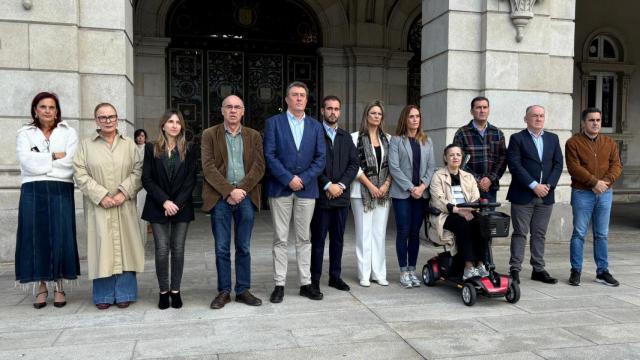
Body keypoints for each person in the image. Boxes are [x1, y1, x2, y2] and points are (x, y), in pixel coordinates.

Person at [73, 103, 144, 310]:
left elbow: (139, 170)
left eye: (111, 117)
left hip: (124, 205)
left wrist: (124, 192)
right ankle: (102, 294)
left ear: (117, 119)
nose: (107, 121)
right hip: (99, 207)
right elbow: (80, 173)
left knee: (126, 247)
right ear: (96, 120)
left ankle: (125, 292)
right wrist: (101, 195)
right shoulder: (86, 146)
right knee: (101, 248)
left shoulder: (129, 144)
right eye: (102, 117)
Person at [15, 91, 80, 309]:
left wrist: (41, 162)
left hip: (61, 189)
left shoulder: (68, 132)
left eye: (51, 107)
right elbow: (26, 163)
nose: (47, 111)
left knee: (60, 236)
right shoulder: (25, 133)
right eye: (43, 107)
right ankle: (41, 286)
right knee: (36, 237)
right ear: (35, 109)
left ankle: (59, 286)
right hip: (33, 190)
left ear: (57, 111)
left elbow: (70, 164)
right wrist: (53, 156)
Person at [264, 81, 325, 303]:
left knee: (304, 238)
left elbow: (320, 158)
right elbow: (269, 155)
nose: (299, 98)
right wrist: (288, 178)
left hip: (307, 190)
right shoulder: (273, 123)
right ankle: (279, 284)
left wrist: (303, 179)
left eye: (302, 95)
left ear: (306, 100)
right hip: (280, 188)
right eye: (294, 95)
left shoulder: (316, 126)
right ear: (287, 99)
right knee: (280, 238)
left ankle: (305, 283)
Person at [202, 95, 265, 309]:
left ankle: (243, 290)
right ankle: (224, 291)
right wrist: (229, 191)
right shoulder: (210, 134)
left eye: (237, 107)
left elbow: (259, 166)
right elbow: (208, 167)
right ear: (222, 111)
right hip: (220, 197)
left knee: (244, 246)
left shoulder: (253, 136)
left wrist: (240, 190)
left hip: (245, 196)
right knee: (221, 247)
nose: (233, 110)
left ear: (243, 111)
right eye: (229, 107)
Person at [141, 110, 196, 309]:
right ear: (163, 125)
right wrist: (165, 201)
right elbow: (146, 179)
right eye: (170, 122)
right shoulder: (151, 148)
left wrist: (177, 204)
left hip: (182, 207)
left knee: (178, 250)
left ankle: (176, 291)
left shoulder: (189, 149)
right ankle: (163, 291)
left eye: (178, 122)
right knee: (162, 250)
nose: (174, 125)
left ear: (181, 126)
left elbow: (191, 180)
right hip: (158, 206)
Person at [566, 107, 623, 287]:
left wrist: (604, 183)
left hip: (605, 193)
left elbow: (617, 165)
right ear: (583, 123)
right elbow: (574, 168)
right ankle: (576, 271)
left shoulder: (609, 142)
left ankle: (602, 271)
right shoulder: (573, 143)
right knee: (579, 233)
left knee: (602, 234)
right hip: (583, 193)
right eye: (591, 120)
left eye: (598, 120)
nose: (596, 123)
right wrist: (593, 182)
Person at [507, 105, 563, 284]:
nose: (538, 119)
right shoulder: (517, 139)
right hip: (523, 194)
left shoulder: (553, 139)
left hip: (546, 194)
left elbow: (558, 164)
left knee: (539, 234)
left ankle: (538, 269)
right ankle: (515, 269)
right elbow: (514, 165)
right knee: (520, 233)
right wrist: (533, 185)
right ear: (526, 119)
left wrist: (548, 185)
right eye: (534, 116)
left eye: (541, 116)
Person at [310, 95, 359, 293]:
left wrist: (340, 185)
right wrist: (327, 185)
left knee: (338, 240)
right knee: (318, 240)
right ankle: (314, 279)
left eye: (336, 109)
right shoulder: (314, 134)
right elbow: (311, 162)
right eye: (329, 108)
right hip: (321, 198)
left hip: (341, 198)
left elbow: (354, 164)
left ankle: (335, 277)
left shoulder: (346, 137)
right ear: (322, 111)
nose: (333, 112)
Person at [389, 105, 436, 288]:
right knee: (403, 231)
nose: (415, 120)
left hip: (421, 194)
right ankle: (403, 272)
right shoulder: (396, 141)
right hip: (402, 194)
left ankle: (412, 270)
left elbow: (431, 167)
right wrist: (411, 188)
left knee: (415, 233)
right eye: (411, 117)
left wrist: (422, 186)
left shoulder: (427, 141)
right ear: (405, 119)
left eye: (417, 116)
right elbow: (394, 168)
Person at [429, 144, 488, 280]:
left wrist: (468, 210)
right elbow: (438, 200)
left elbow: (475, 197)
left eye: (458, 155)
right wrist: (458, 210)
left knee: (482, 223)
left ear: (462, 157)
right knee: (464, 224)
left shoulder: (468, 176)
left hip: (468, 211)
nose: (455, 157)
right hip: (446, 215)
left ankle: (480, 263)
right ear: (445, 158)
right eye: (451, 155)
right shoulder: (438, 176)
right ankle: (468, 266)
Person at [351, 100, 392, 287]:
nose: (376, 116)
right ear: (366, 115)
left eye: (379, 114)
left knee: (379, 234)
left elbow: (393, 166)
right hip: (361, 193)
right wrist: (370, 186)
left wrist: (384, 185)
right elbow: (354, 166)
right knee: (363, 234)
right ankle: (364, 273)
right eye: (373, 113)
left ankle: (379, 272)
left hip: (383, 193)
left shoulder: (388, 139)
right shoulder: (354, 138)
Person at [453, 97, 507, 202]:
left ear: (488, 110)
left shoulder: (497, 133)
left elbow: (503, 159)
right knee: (469, 218)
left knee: (489, 218)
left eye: (485, 107)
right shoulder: (462, 133)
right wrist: (477, 180)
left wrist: (490, 179)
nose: (482, 110)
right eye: (478, 107)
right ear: (471, 111)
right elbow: (458, 160)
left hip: (490, 188)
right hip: (468, 187)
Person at [134, 128, 149, 242]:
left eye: (142, 136)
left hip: (145, 183)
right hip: (134, 182)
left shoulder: (148, 149)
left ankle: (143, 238)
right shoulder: (132, 149)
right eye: (138, 136)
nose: (140, 138)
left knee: (142, 208)